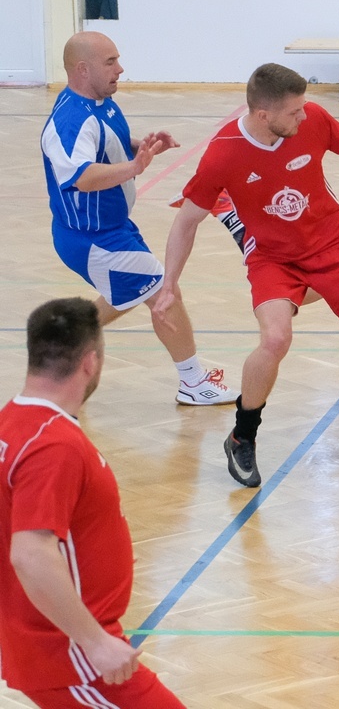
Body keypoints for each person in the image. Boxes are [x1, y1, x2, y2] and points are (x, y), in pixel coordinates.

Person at [152, 64, 339, 487]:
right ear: (263, 115)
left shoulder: (311, 118)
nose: (304, 115)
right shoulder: (223, 154)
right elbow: (186, 221)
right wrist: (170, 283)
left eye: (303, 108)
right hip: (273, 258)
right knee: (275, 339)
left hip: (334, 244)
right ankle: (242, 437)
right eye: (294, 111)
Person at [0, 299, 187, 709]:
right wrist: (94, 642)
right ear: (90, 362)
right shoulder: (53, 445)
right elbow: (30, 554)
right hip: (73, 658)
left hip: (51, 645)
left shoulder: (11, 422)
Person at [41, 33, 236, 408]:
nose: (121, 69)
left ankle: (65, 346)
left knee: (131, 293)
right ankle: (193, 382)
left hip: (113, 229)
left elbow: (104, 145)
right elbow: (81, 176)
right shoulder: (71, 121)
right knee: (164, 292)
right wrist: (134, 167)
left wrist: (140, 147)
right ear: (82, 69)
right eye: (110, 62)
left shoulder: (101, 103)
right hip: (92, 239)